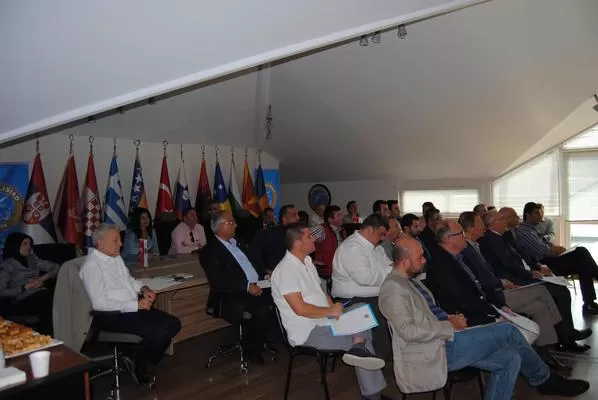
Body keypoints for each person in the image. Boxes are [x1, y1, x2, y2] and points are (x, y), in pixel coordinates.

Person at [378, 235, 590, 398]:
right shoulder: (393, 289)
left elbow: (427, 315)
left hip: (446, 339)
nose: (424, 261)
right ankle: (545, 380)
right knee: (508, 330)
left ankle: (544, 379)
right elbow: (408, 332)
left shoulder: (409, 281)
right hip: (435, 349)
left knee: (511, 358)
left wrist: (449, 318)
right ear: (405, 262)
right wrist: (448, 326)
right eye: (420, 257)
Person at [271, 223, 389, 400]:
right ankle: (372, 392)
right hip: (309, 332)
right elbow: (300, 309)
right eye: (309, 236)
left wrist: (334, 309)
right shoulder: (285, 270)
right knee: (365, 336)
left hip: (326, 321)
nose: (314, 238)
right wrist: (331, 312)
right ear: (297, 243)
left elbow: (322, 293)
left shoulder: (307, 261)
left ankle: (358, 347)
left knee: (362, 309)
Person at [479, 210, 592, 353]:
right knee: (559, 292)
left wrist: (537, 267)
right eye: (501, 219)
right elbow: (508, 265)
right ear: (493, 224)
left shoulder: (504, 236)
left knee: (560, 288)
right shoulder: (490, 240)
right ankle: (567, 337)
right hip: (517, 280)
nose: (505, 222)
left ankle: (565, 334)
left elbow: (522, 256)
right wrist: (530, 274)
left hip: (525, 274)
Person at [80, 224, 181, 383]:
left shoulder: (116, 258)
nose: (120, 244)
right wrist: (136, 306)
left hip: (131, 309)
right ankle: (137, 361)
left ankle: (134, 356)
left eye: (120, 239)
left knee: (173, 324)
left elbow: (129, 281)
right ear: (100, 243)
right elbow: (100, 304)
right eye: (116, 240)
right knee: (160, 333)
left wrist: (143, 288)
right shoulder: (92, 266)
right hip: (111, 316)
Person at [200, 211, 273, 363]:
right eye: (232, 222)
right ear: (221, 226)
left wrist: (265, 274)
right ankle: (252, 349)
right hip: (230, 294)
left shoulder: (238, 242)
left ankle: (260, 339)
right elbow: (218, 280)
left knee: (279, 299)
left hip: (256, 285)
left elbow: (252, 264)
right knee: (261, 309)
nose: (236, 225)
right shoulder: (210, 250)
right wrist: (246, 287)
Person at [512, 203, 598, 315]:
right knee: (582, 253)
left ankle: (589, 304)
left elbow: (549, 246)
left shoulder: (532, 230)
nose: (540, 216)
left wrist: (557, 249)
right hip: (542, 265)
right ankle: (589, 302)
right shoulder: (524, 232)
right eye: (536, 213)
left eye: (540, 213)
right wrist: (558, 250)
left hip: (549, 260)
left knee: (584, 264)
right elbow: (545, 251)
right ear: (528, 214)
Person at [332, 214, 392, 357]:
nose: (382, 238)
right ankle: (376, 358)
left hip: (373, 296)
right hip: (352, 300)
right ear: (370, 229)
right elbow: (365, 277)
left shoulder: (376, 248)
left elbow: (389, 266)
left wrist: (388, 270)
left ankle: (390, 354)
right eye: (381, 234)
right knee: (381, 315)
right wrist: (389, 271)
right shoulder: (351, 247)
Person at [0, 232, 60, 334]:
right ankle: (50, 336)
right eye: (25, 244)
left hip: (39, 295)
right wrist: (26, 286)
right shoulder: (7, 265)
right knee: (45, 298)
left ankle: (49, 336)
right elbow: (1, 291)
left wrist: (41, 279)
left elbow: (56, 267)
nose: (29, 247)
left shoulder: (32, 258)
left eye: (30, 244)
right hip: (20, 301)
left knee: (52, 298)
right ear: (15, 245)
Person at [248, 204, 299, 275]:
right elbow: (253, 250)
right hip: (278, 275)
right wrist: (264, 270)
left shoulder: (299, 234)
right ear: (284, 219)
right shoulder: (271, 234)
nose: (298, 218)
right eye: (294, 215)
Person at [311, 205, 346, 278]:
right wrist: (310, 261)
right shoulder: (321, 229)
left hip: (340, 271)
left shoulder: (341, 230)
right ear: (330, 219)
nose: (342, 217)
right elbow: (303, 243)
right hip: (326, 272)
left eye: (342, 214)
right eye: (338, 215)